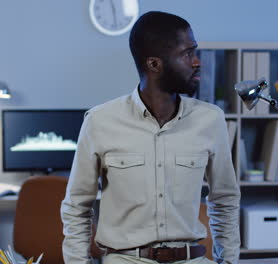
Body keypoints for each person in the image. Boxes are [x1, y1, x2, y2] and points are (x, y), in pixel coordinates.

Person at [61, 11, 240, 264]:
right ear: (154, 64)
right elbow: (77, 207)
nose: (197, 62)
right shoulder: (99, 121)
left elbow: (225, 200)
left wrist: (229, 261)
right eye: (187, 54)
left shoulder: (211, 120)